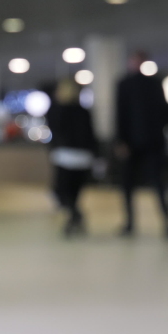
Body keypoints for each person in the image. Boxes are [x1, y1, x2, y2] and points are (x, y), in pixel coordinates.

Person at [115, 51, 168, 239]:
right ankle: (130, 222)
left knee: (158, 184)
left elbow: (165, 111)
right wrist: (121, 141)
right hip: (135, 143)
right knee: (129, 185)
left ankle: (167, 223)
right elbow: (120, 114)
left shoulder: (154, 84)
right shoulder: (125, 85)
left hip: (152, 143)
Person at [48, 78, 98, 237]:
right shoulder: (84, 111)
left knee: (62, 191)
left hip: (65, 156)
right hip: (83, 157)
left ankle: (75, 215)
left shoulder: (57, 110)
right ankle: (74, 218)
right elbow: (91, 134)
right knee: (74, 192)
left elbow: (55, 133)